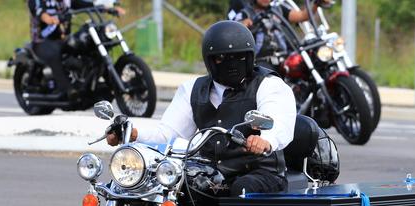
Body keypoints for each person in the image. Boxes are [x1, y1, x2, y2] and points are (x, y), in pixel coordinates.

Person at [107, 21, 296, 196]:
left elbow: (278, 121)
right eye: (222, 58)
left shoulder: (268, 85)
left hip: (261, 173)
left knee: (242, 189)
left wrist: (265, 140)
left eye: (238, 56)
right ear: (210, 61)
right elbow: (169, 132)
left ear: (249, 57)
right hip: (210, 172)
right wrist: (133, 133)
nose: (231, 63)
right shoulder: (193, 90)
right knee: (161, 184)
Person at [28, 0, 124, 99]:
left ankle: (104, 83)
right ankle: (68, 89)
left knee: (89, 47)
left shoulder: (66, 1)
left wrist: (108, 9)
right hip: (42, 41)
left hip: (63, 39)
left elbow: (87, 5)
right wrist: (50, 19)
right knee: (54, 53)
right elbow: (39, 12)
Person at [232, 0, 332, 70]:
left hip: (285, 57)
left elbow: (302, 16)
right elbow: (234, 29)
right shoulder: (245, 13)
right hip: (261, 60)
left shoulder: (278, 9)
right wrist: (243, 24)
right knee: (267, 78)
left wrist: (316, 3)